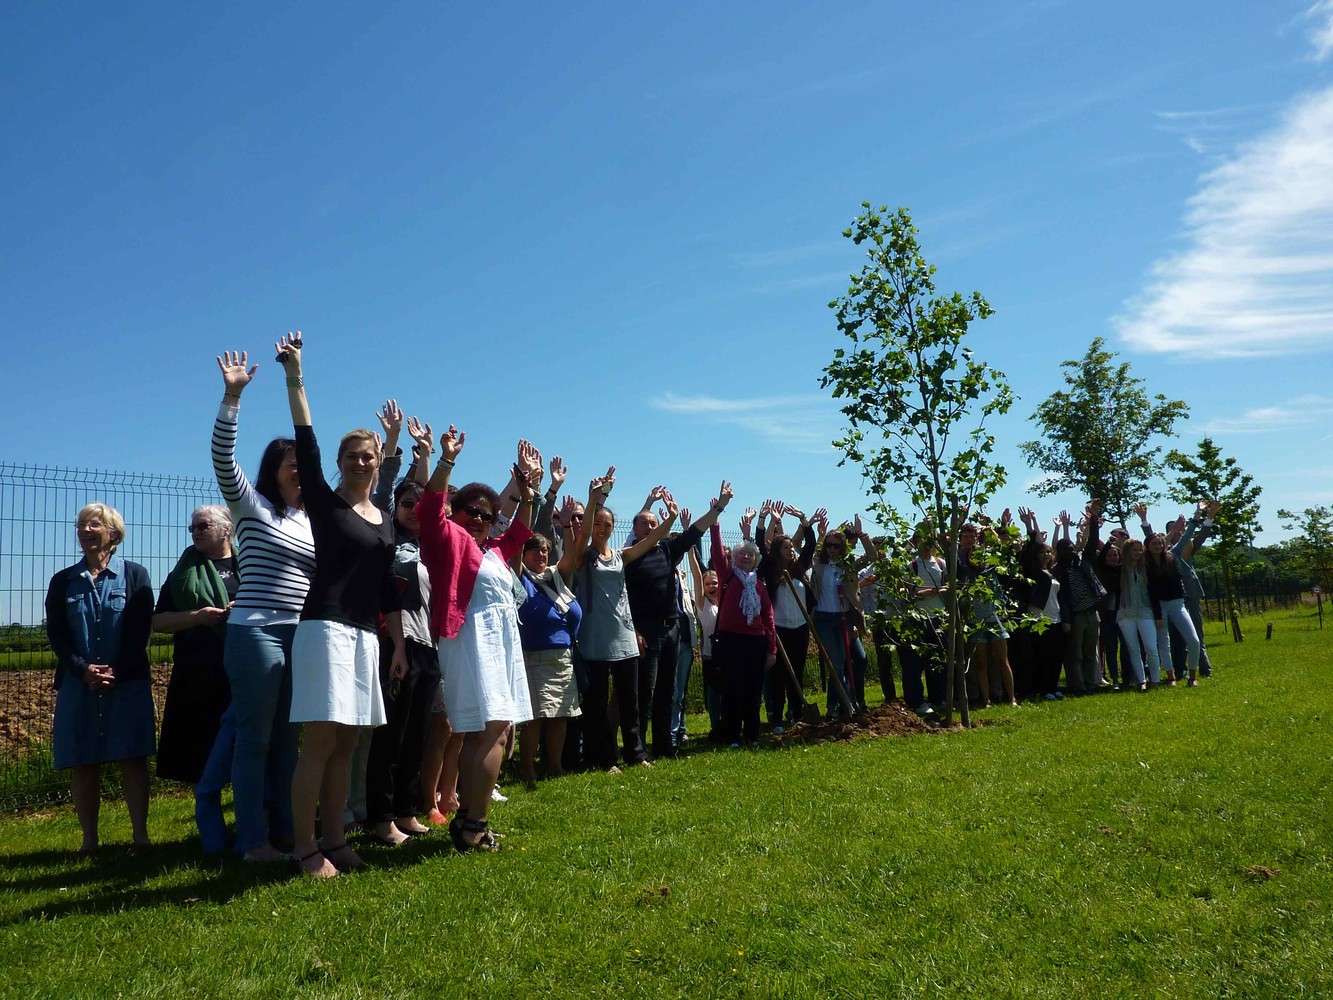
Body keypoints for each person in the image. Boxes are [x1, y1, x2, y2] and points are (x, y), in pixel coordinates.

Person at [276, 333, 407, 877]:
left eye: (368, 456)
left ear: (378, 463)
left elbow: (387, 586)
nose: (360, 461)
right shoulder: (327, 506)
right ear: (339, 462)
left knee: (349, 741)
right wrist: (295, 375)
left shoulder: (385, 519)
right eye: (351, 455)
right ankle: (305, 848)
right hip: (325, 629)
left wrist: (399, 645)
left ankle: (336, 837)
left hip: (366, 636)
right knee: (321, 740)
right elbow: (305, 440)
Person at [211, 349, 315, 861]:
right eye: (292, 464)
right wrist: (232, 397)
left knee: (288, 739)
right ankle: (253, 840)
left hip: (301, 634)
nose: (300, 471)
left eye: (303, 465)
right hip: (256, 631)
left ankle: (286, 831)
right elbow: (222, 460)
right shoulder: (250, 506)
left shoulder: (310, 520)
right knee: (254, 739)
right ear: (273, 471)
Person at [417, 429, 537, 851]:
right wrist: (446, 461)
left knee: (489, 733)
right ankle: (474, 826)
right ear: (456, 511)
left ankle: (468, 817)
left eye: (487, 515)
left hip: (498, 644)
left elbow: (520, 533)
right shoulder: (448, 539)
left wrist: (528, 493)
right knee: (492, 731)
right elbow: (429, 508)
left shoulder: (495, 552)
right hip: (471, 642)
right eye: (471, 511)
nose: (479, 519)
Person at [45, 503, 155, 855]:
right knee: (83, 760)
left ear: (113, 533)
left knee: (132, 757)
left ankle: (141, 838)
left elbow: (140, 630)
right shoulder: (63, 581)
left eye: (94, 524)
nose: (85, 530)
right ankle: (89, 841)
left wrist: (116, 670)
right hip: (78, 683)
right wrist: (83, 669)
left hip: (127, 681)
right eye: (81, 525)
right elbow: (58, 635)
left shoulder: (135, 575)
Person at [569, 469, 678, 772]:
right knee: (597, 704)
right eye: (598, 524)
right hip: (595, 640)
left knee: (630, 702)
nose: (603, 529)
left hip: (624, 638)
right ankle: (604, 758)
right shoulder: (583, 557)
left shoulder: (621, 556)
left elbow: (651, 540)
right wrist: (594, 500)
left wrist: (671, 518)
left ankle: (636, 754)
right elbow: (582, 538)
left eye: (608, 525)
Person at [365, 423, 440, 845]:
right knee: (391, 734)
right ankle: (381, 817)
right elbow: (382, 492)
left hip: (429, 645)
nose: (414, 509)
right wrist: (395, 448)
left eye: (419, 505)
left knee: (418, 735)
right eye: (406, 504)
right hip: (397, 642)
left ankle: (407, 812)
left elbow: (432, 500)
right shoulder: (387, 535)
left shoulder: (431, 543)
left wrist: (428, 455)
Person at [152, 504, 238, 853]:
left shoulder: (249, 566)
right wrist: (198, 616)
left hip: (242, 672)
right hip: (198, 676)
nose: (195, 532)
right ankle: (212, 835)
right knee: (200, 755)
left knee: (247, 751)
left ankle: (253, 828)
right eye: (193, 528)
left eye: (203, 526)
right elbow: (158, 621)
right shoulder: (183, 573)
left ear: (226, 529)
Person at [709, 485, 777, 746]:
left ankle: (752, 734)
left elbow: (768, 617)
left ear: (755, 560)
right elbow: (717, 552)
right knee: (733, 688)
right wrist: (715, 521)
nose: (746, 556)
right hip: (731, 639)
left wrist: (771, 649)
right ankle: (732, 735)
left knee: (753, 689)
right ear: (734, 558)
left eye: (750, 554)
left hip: (756, 641)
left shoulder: (758, 585)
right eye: (741, 554)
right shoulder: (727, 575)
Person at [516, 531, 582, 782]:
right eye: (534, 549)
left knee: (561, 714)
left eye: (544, 550)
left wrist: (567, 526)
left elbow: (571, 554)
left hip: (563, 657)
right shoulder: (520, 577)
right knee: (536, 717)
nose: (541, 554)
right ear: (523, 554)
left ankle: (555, 766)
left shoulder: (555, 577)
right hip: (534, 657)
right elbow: (514, 547)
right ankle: (528, 769)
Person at [809, 516, 877, 716]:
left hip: (845, 618)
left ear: (843, 547)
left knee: (847, 662)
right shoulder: (819, 563)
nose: (832, 549)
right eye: (829, 545)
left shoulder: (849, 564)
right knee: (837, 664)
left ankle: (836, 707)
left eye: (836, 546)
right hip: (823, 619)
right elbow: (805, 550)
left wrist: (862, 534)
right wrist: (818, 533)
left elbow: (872, 556)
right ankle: (847, 705)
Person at [757, 502, 817, 729]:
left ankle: (797, 713)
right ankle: (777, 719)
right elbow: (760, 544)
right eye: (786, 547)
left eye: (792, 547)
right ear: (777, 550)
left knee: (797, 672)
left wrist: (804, 520)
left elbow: (810, 545)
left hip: (800, 627)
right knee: (779, 675)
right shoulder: (771, 569)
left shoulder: (799, 569)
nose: (791, 550)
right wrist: (762, 520)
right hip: (780, 629)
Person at [1116, 538, 1158, 691]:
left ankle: (1155, 679)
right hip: (1126, 614)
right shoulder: (1120, 569)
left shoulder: (1146, 568)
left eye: (1140, 550)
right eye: (1134, 550)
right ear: (1127, 551)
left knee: (1151, 648)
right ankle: (1141, 681)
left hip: (1145, 612)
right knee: (1133, 650)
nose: (1138, 553)